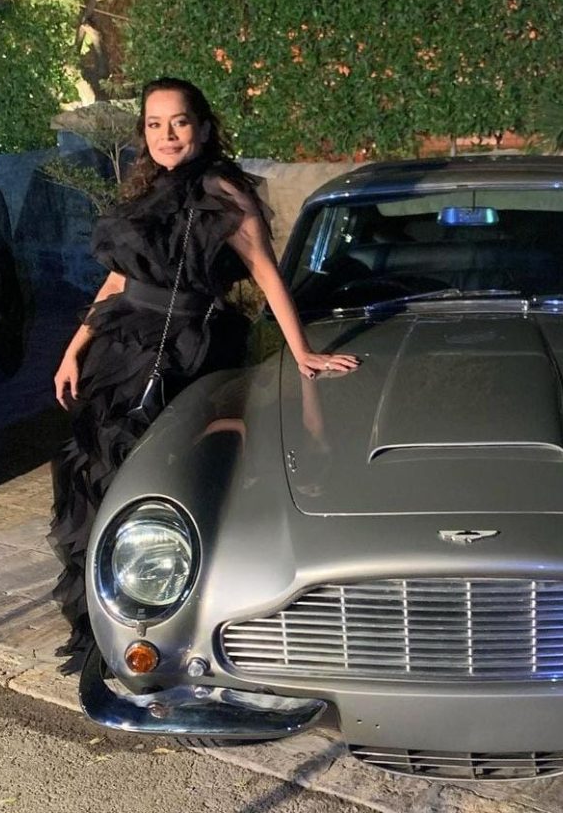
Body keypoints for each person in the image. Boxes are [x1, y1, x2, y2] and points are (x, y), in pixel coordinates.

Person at [49, 77, 358, 670]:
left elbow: (265, 271)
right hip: (119, 347)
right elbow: (117, 279)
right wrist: (73, 348)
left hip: (181, 351)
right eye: (154, 124)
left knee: (160, 476)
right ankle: (106, 623)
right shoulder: (145, 188)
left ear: (203, 126)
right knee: (96, 474)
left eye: (179, 122)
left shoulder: (221, 190)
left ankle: (163, 616)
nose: (166, 135)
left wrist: (302, 353)